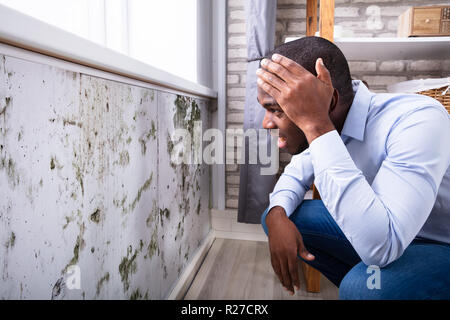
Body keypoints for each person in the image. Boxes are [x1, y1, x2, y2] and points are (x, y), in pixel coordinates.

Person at [256, 36, 450, 299]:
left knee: (362, 287)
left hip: (437, 242)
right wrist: (276, 215)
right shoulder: (332, 120)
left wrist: (316, 125)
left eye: (277, 110)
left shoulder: (417, 118)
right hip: (385, 234)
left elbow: (384, 246)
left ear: (329, 102)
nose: (267, 123)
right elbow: (295, 174)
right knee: (278, 216)